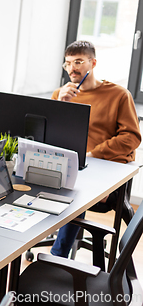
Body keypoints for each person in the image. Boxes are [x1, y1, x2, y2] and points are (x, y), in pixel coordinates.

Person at [50, 40, 141, 258]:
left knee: (77, 190)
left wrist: (92, 154)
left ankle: (56, 257)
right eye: (68, 63)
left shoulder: (119, 95)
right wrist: (61, 105)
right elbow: (49, 135)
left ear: (93, 63)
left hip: (104, 171)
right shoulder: (61, 94)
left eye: (79, 61)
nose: (72, 68)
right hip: (71, 166)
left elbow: (132, 137)